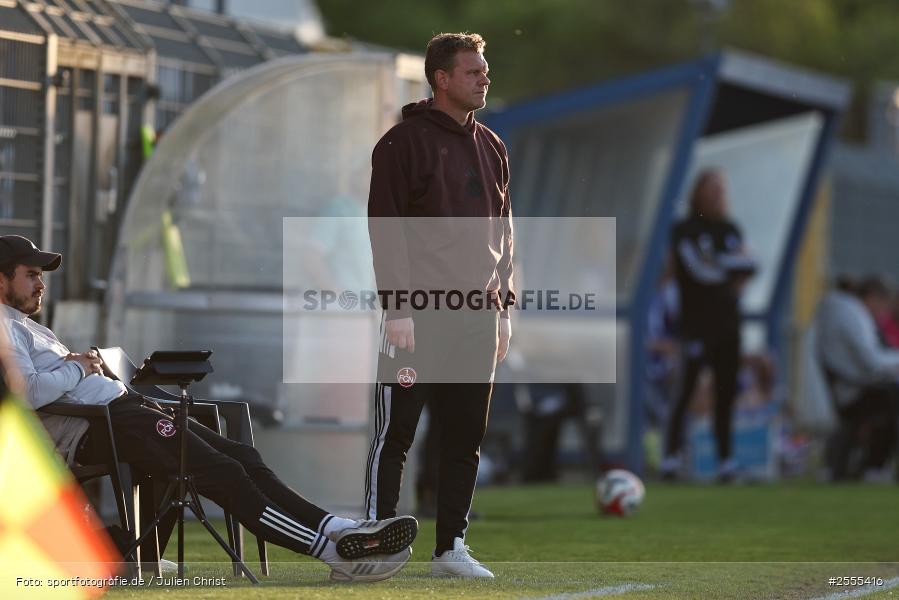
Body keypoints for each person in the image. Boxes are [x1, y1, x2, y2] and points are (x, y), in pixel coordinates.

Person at [0, 235, 417, 583]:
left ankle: (338, 527)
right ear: (2, 280)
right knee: (223, 473)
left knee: (241, 455)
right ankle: (334, 554)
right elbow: (28, 393)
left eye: (41, 276)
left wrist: (83, 369)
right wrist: (78, 366)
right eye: (31, 275)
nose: (41, 284)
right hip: (97, 427)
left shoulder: (25, 323)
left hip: (123, 411)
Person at [364, 32, 514, 578]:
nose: (484, 78)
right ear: (441, 78)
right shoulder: (401, 144)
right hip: (417, 318)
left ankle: (451, 548)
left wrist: (504, 310)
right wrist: (398, 307)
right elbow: (386, 230)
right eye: (473, 71)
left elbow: (504, 232)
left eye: (485, 69)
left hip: (478, 318)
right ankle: (376, 542)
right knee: (396, 434)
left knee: (465, 438)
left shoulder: (494, 145)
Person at [661, 169, 756, 482]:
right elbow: (699, 270)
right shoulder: (686, 229)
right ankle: (671, 458)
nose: (717, 194)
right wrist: (729, 269)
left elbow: (749, 267)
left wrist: (724, 267)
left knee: (726, 392)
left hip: (729, 325)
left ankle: (726, 461)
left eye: (721, 189)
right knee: (686, 389)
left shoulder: (731, 228)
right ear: (698, 192)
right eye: (711, 188)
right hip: (696, 325)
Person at [816, 275, 899, 480]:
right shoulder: (853, 315)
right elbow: (871, 361)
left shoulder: (837, 311)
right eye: (882, 307)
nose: (881, 315)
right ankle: (874, 465)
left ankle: (871, 465)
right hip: (855, 392)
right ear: (872, 298)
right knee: (891, 402)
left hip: (850, 388)